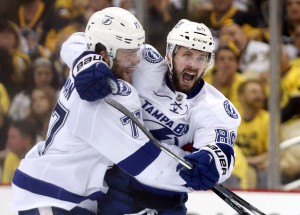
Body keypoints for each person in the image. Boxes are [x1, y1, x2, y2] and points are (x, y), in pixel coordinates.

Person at [11, 8, 231, 215]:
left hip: (78, 196)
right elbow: (143, 160)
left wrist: (214, 162)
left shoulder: (213, 105)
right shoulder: (109, 94)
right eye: (187, 55)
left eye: (201, 57)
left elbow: (221, 148)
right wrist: (188, 173)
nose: (137, 60)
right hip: (52, 195)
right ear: (171, 54)